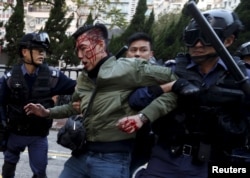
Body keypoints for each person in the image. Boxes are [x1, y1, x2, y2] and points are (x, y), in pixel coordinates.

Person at [22, 23, 200, 178]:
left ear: (100, 45)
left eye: (83, 48)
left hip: (113, 159)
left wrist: (143, 117)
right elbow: (74, 107)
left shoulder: (130, 68)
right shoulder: (84, 78)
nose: (80, 55)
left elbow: (177, 85)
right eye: (77, 50)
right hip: (81, 154)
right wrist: (46, 112)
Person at [129, 9, 250, 178]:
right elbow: (136, 100)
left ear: (228, 40)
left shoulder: (243, 78)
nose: (198, 44)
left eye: (206, 37)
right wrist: (171, 86)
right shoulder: (171, 70)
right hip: (166, 158)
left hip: (217, 164)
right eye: (193, 37)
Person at [0, 32, 76, 178]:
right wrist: (2, 128)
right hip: (15, 133)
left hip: (38, 135)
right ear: (25, 52)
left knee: (40, 172)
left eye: (44, 51)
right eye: (38, 50)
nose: (43, 54)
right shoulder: (9, 78)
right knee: (8, 169)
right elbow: (1, 104)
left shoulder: (53, 77)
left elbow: (77, 87)